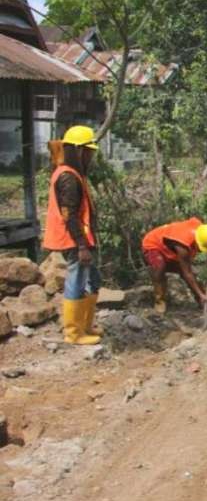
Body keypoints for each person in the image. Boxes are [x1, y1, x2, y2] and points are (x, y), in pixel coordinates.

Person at [43, 125, 102, 345]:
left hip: (80, 239)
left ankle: (85, 326)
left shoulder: (71, 173)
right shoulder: (68, 177)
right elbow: (69, 215)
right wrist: (82, 246)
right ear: (78, 151)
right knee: (76, 282)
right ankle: (73, 333)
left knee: (93, 280)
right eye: (89, 152)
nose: (91, 157)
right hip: (74, 240)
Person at [142, 218, 207, 314]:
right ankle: (160, 301)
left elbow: (202, 241)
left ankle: (202, 301)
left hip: (169, 247)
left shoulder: (201, 230)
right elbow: (187, 273)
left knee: (192, 275)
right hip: (153, 244)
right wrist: (201, 294)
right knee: (160, 268)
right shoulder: (183, 247)